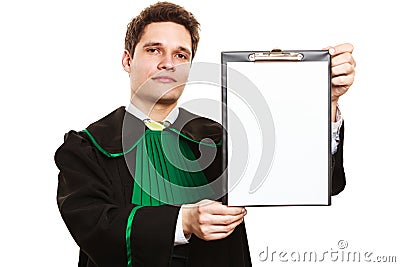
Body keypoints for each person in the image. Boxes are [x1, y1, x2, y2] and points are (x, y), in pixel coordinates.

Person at [55, 2, 356, 267]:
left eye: (181, 55)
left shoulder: (220, 139)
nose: (168, 63)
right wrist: (181, 221)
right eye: (153, 49)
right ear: (127, 60)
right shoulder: (86, 147)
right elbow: (91, 224)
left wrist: (325, 103)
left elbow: (306, 180)